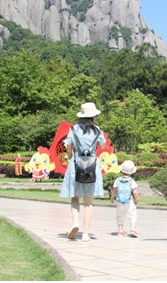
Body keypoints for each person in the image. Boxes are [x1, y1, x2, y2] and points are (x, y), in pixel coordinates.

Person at [60, 102, 106, 242]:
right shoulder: (98, 130)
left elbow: (68, 146)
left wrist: (70, 157)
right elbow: (103, 145)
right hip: (92, 166)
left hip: (76, 165)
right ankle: (86, 234)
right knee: (88, 202)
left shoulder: (73, 129)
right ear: (93, 117)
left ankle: (75, 223)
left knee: (75, 197)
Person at [110, 160, 139, 238]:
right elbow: (135, 191)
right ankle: (132, 229)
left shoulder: (118, 180)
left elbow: (114, 190)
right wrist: (136, 200)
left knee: (120, 215)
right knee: (132, 214)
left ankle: (120, 231)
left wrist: (112, 198)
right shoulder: (131, 181)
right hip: (129, 201)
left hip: (119, 201)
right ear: (131, 172)